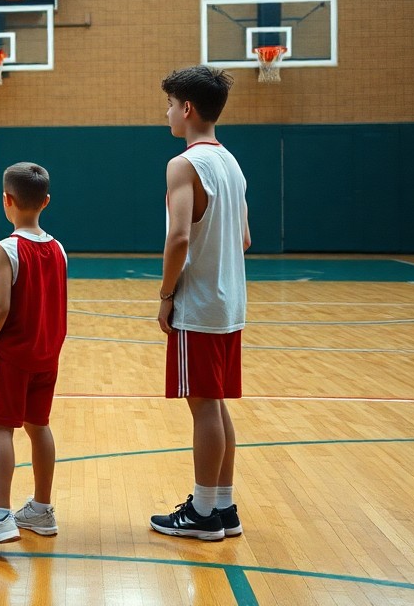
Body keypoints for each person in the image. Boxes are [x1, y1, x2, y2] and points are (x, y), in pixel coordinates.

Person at [150, 65, 249, 541]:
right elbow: (245, 239)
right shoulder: (231, 162)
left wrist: (167, 293)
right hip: (230, 303)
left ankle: (203, 512)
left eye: (170, 105)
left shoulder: (184, 164)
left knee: (204, 406)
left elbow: (178, 238)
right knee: (216, 404)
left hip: (200, 303)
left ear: (187, 108)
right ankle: (223, 506)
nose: (167, 113)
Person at [0, 163, 67, 547]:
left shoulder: (6, 248)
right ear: (46, 201)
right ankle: (42, 508)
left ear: (6, 200)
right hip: (46, 355)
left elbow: (0, 308)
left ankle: (0, 516)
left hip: (13, 355)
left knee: (0, 428)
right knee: (39, 426)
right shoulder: (59, 248)